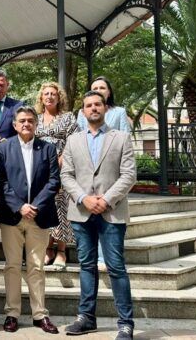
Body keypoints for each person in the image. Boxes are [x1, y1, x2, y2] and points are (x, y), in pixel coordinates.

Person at [61, 91, 137, 340]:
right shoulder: (73, 140)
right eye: (88, 106)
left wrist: (105, 200)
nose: (93, 108)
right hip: (81, 212)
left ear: (105, 108)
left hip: (111, 212)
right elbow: (67, 176)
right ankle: (86, 318)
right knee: (86, 266)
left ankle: (125, 324)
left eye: (97, 104)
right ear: (82, 112)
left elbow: (128, 175)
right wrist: (84, 198)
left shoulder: (122, 138)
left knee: (116, 267)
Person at [0, 107, 60, 334]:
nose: (26, 124)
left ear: (36, 124)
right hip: (12, 215)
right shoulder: (3, 148)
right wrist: (19, 206)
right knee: (12, 265)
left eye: (31, 121)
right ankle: (12, 313)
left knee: (37, 266)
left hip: (39, 216)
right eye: (22, 121)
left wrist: (35, 206)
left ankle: (39, 314)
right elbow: (1, 181)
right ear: (14, 124)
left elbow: (54, 181)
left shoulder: (48, 148)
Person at [77, 76, 130, 271]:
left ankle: (107, 257)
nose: (99, 90)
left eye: (102, 88)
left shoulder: (118, 112)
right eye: (94, 88)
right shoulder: (82, 114)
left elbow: (127, 139)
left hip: (112, 174)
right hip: (88, 175)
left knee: (109, 218)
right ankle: (97, 257)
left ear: (109, 91)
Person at [33, 81, 79, 270]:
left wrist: (61, 157)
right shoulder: (35, 118)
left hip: (62, 167)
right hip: (40, 169)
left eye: (53, 94)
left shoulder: (68, 117)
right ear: (41, 98)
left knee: (61, 207)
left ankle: (61, 250)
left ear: (59, 97)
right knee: (45, 207)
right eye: (46, 94)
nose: (50, 96)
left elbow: (75, 140)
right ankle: (47, 248)